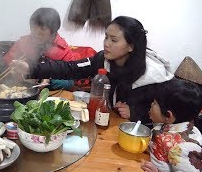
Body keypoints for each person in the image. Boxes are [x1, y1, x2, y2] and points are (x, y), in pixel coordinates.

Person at [12, 16, 174, 124]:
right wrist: (31, 69)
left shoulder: (153, 76)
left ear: (131, 46)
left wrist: (136, 113)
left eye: (114, 40)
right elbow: (70, 68)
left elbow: (167, 116)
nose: (106, 43)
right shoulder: (103, 59)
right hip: (106, 121)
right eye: (106, 37)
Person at [141, 78, 202, 172]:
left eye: (155, 103)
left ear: (169, 116)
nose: (151, 105)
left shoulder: (183, 148)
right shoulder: (171, 124)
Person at [2, 7, 78, 90]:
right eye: (33, 27)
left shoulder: (63, 51)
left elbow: (70, 83)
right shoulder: (23, 42)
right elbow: (6, 65)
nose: (36, 33)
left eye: (43, 29)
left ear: (53, 32)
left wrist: (50, 81)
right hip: (19, 90)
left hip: (50, 96)